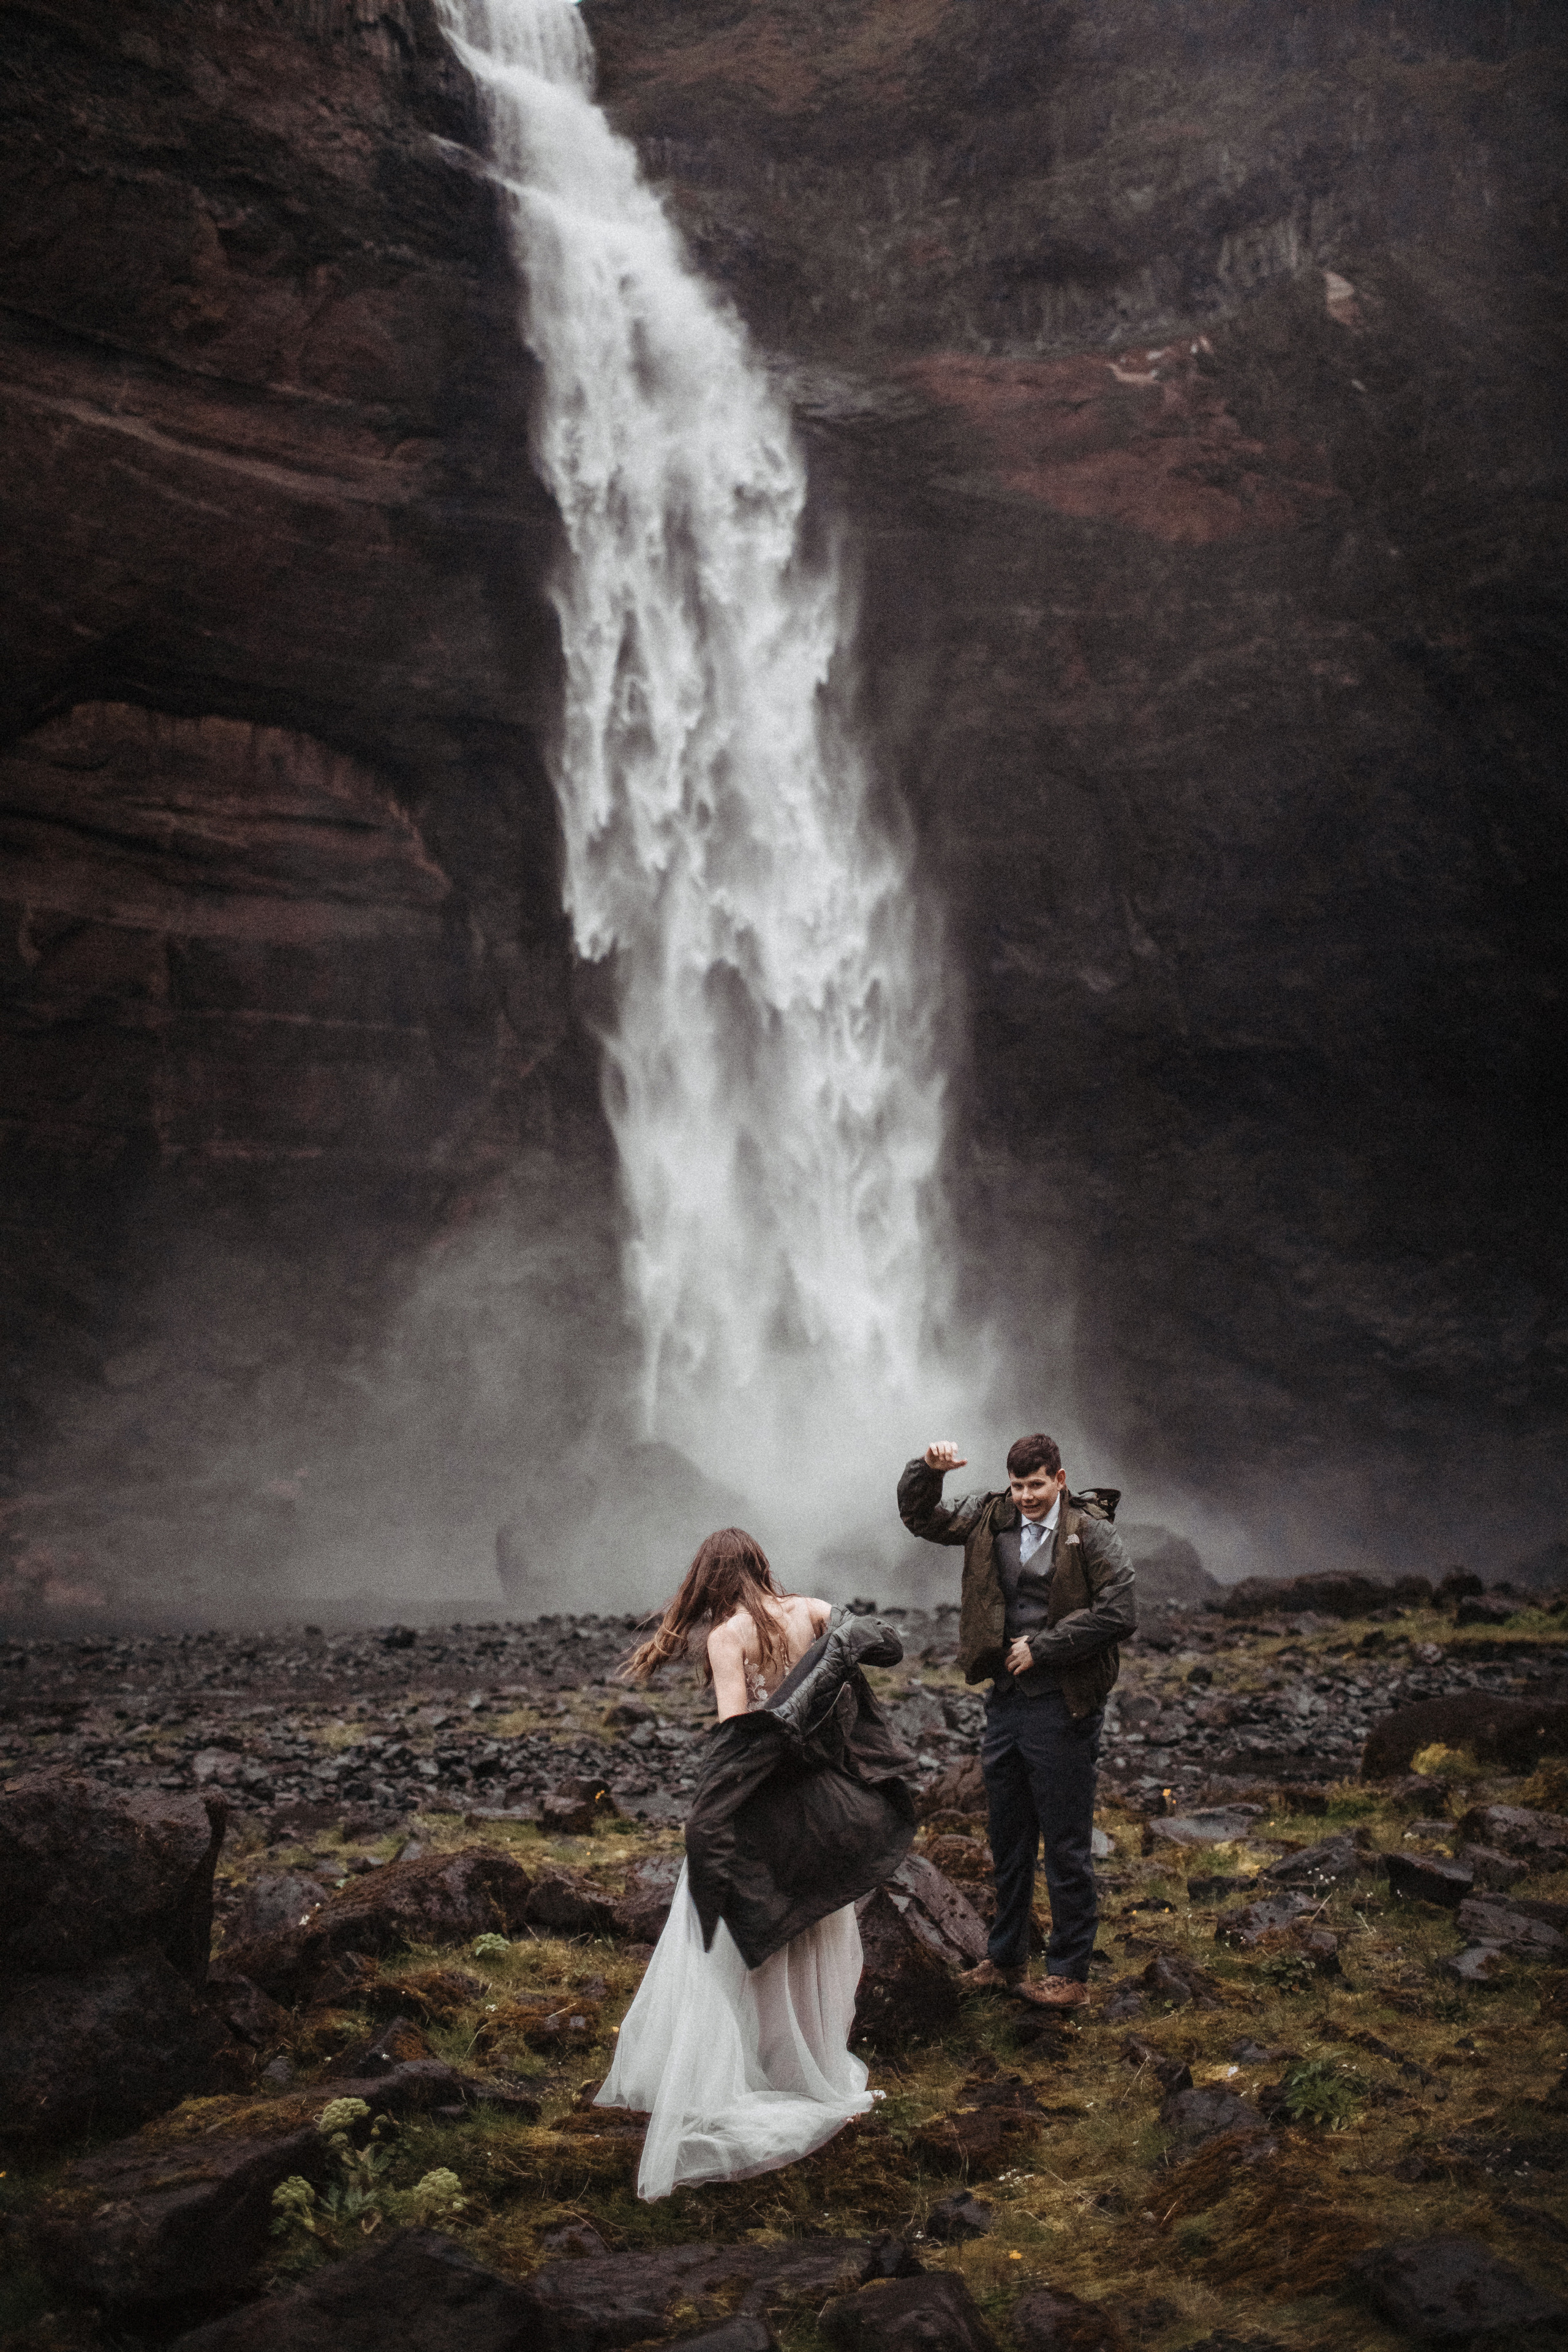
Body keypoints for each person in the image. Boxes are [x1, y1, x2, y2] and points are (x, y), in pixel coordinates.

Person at [595, 1527, 914, 2198]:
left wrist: (713, 1812)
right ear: (761, 1566)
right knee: (808, 1936)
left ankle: (739, 2076)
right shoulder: (815, 1611)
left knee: (729, 1944)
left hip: (764, 1810)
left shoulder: (725, 1638)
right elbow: (881, 1644)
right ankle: (804, 2069)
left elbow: (737, 1730)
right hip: (822, 1807)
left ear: (708, 1582)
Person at [899, 1434, 1136, 2008]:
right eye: (1017, 1485)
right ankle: (1005, 1959)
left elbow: (1120, 1611)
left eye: (1036, 1485)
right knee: (1007, 1836)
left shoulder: (1092, 1531)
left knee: (1065, 1842)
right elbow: (923, 1518)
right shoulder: (990, 1516)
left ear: (1059, 1478)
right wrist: (925, 1471)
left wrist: (1046, 1648)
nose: (1026, 1497)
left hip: (1063, 1701)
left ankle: (1070, 1974)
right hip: (1006, 1701)